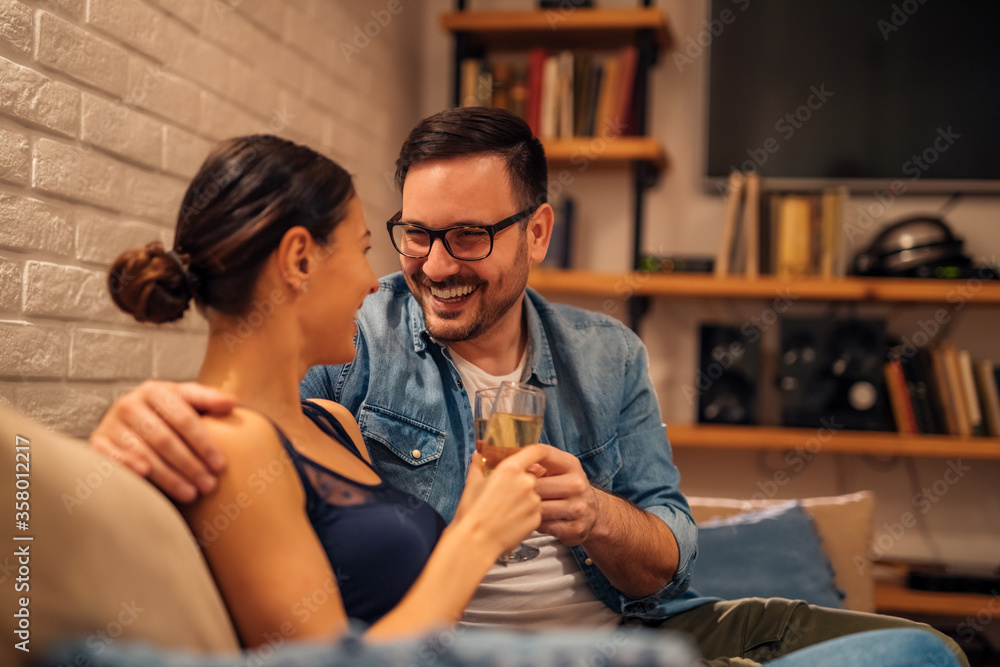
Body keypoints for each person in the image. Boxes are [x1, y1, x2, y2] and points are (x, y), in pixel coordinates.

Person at [93, 109, 968, 666]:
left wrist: (593, 512)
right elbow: (249, 397)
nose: (430, 268)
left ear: (537, 229)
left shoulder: (607, 355)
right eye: (408, 235)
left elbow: (672, 547)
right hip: (466, 647)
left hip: (632, 628)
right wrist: (136, 417)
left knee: (919, 650)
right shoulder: (357, 334)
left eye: (468, 237)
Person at [106, 134, 550, 648]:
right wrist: (479, 540)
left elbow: (406, 605)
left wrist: (473, 514)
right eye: (361, 250)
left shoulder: (330, 420)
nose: (371, 283)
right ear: (299, 260)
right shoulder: (228, 446)